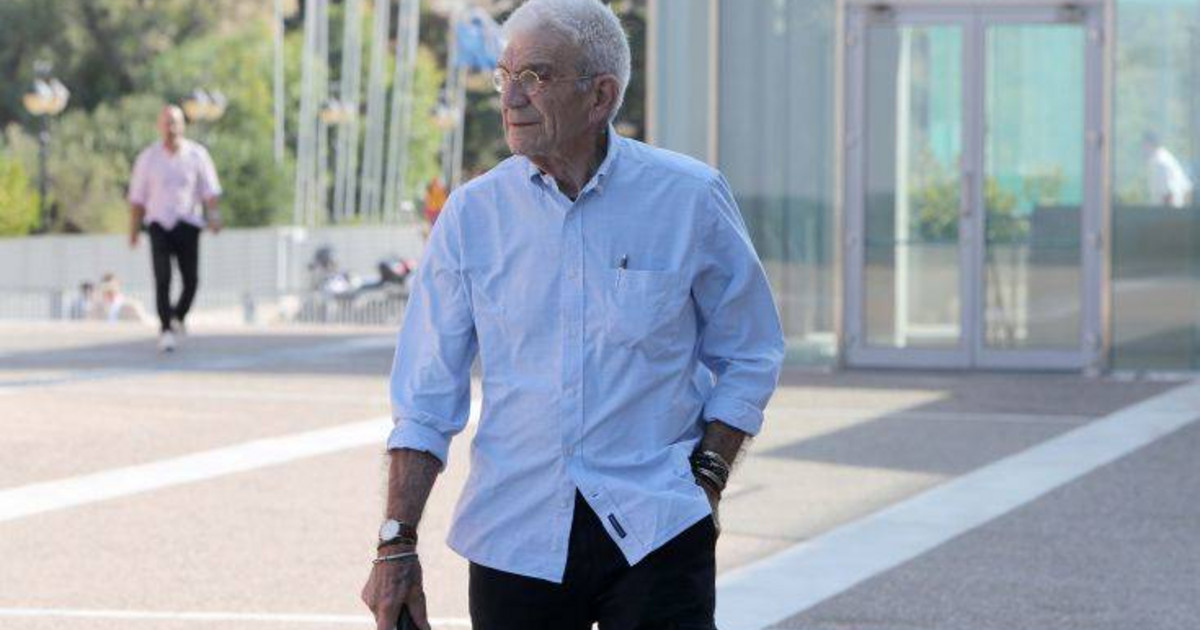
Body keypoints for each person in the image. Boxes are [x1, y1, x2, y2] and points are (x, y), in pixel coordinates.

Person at [361, 1, 785, 629]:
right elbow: (425, 398)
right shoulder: (472, 216)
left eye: (535, 76)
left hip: (657, 528)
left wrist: (709, 475)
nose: (512, 97)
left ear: (600, 95)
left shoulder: (689, 198)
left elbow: (751, 350)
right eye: (505, 76)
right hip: (515, 536)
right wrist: (397, 542)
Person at [127, 105, 223, 353]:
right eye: (167, 123)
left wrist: (214, 218)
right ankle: (165, 329)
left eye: (175, 122)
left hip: (188, 223)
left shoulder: (197, 155)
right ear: (159, 126)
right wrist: (134, 230)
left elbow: (210, 192)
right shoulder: (148, 158)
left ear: (183, 125)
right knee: (162, 278)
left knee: (191, 280)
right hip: (159, 224)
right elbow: (137, 198)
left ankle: (177, 316)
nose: (171, 128)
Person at [1142, 131, 1194, 209]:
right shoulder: (1164, 157)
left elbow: (1168, 193)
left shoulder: (1160, 161)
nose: (1143, 148)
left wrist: (1167, 213)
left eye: (1144, 144)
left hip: (1169, 212)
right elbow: (1187, 189)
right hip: (1176, 210)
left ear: (1149, 144)